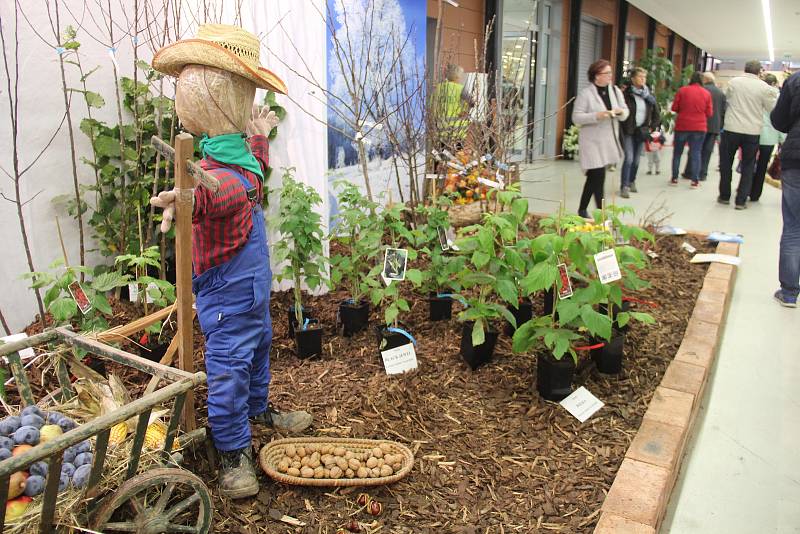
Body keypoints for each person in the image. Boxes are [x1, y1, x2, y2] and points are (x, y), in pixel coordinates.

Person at [149, 24, 313, 499]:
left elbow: (252, 174)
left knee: (259, 351)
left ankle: (258, 412)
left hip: (254, 293)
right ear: (219, 99)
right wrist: (182, 201)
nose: (250, 102)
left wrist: (259, 136)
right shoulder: (217, 176)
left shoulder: (239, 159)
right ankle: (233, 453)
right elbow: (208, 198)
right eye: (246, 94)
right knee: (228, 370)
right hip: (226, 295)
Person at [571, 59, 629, 218]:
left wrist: (620, 113)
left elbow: (625, 111)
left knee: (594, 176)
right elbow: (576, 117)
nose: (610, 76)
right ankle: (601, 213)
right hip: (591, 141)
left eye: (610, 72)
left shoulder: (615, 91)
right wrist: (597, 115)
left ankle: (582, 209)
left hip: (608, 140)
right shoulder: (586, 94)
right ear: (596, 76)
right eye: (606, 73)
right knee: (598, 174)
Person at [718, 60, 778, 209]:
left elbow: (728, 100)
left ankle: (725, 196)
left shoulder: (734, 82)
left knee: (726, 163)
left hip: (732, 128)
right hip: (752, 131)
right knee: (748, 165)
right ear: (759, 72)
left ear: (745, 69)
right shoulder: (765, 87)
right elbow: (771, 108)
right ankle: (741, 201)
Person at [769, 69, 800, 307]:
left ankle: (789, 292)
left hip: (796, 160)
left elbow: (778, 120)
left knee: (793, 227)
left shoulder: (796, 79)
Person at [619, 67, 661, 197]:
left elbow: (656, 114)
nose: (643, 79)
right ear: (633, 79)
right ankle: (624, 186)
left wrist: (652, 127)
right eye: (640, 77)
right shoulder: (626, 95)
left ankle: (632, 181)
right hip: (628, 131)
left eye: (644, 77)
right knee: (629, 158)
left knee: (636, 160)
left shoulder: (649, 96)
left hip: (641, 132)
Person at [670, 71, 712, 188]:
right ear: (702, 80)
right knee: (696, 153)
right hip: (699, 127)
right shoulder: (706, 93)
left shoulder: (682, 90)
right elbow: (709, 112)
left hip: (682, 126)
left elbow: (674, 107)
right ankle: (694, 181)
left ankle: (674, 178)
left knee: (677, 153)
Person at [682, 72, 726, 181]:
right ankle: (703, 174)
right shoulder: (721, 93)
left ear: (705, 79)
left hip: (699, 124)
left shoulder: (701, 90)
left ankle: (690, 172)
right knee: (707, 151)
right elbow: (723, 111)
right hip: (714, 126)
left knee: (695, 149)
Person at [750, 73, 784, 201]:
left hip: (753, 132)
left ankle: (745, 188)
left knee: (749, 163)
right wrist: (782, 139)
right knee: (762, 165)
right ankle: (755, 194)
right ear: (775, 84)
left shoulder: (756, 94)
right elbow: (780, 119)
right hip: (769, 137)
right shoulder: (779, 98)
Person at [432, 63, 474, 150]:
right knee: (457, 157)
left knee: (441, 154)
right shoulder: (460, 88)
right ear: (457, 76)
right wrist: (466, 112)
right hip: (458, 131)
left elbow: (432, 107)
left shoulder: (438, 88)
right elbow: (472, 103)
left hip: (441, 129)